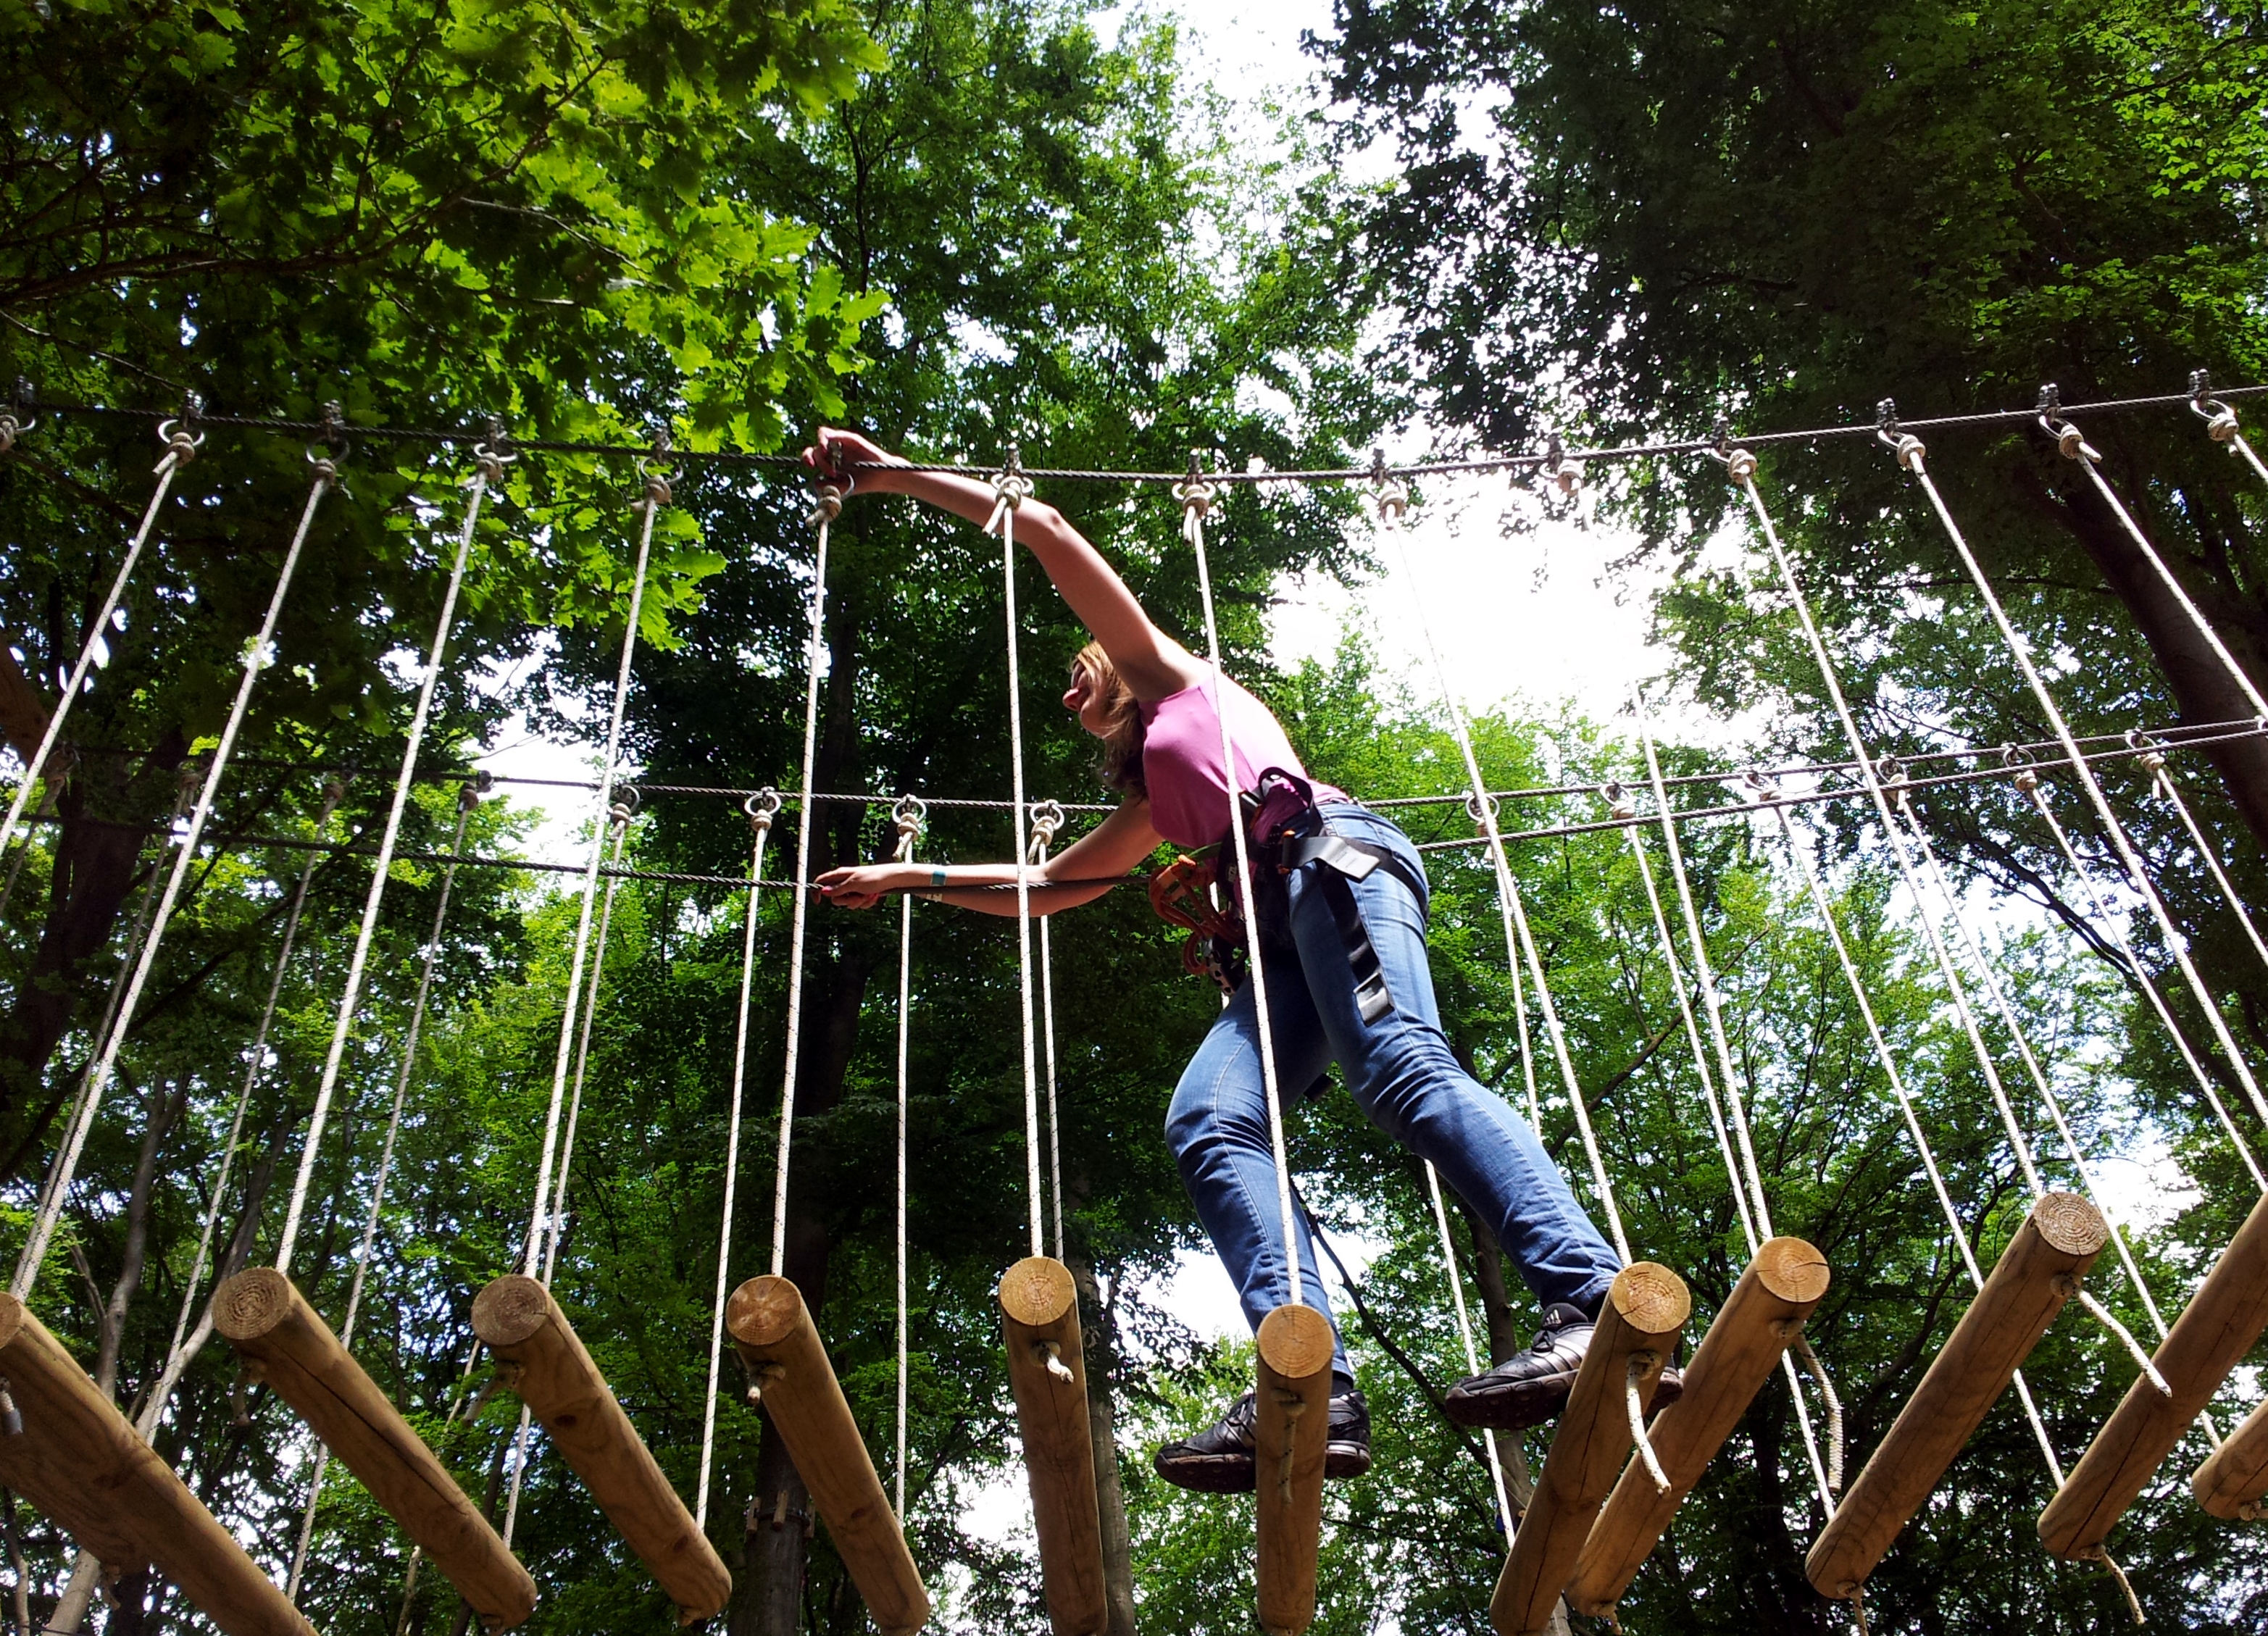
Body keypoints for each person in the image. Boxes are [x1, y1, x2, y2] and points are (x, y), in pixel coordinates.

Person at [804, 428, 1669, 1494]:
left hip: (1328, 863)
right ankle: (1310, 1381)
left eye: (1078, 679)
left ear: (1116, 671)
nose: (1069, 700)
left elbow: (1044, 528)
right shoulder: (1150, 800)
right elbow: (1053, 888)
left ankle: (1586, 1295)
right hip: (1277, 938)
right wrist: (914, 879)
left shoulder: (1176, 686)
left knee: (1397, 1069)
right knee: (1207, 1119)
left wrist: (888, 474)